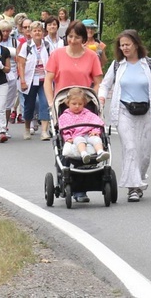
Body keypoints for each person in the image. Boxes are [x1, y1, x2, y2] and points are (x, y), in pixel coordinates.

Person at [99, 29, 151, 202]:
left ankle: (139, 179)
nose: (124, 48)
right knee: (130, 148)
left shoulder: (149, 64)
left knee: (144, 153)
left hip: (146, 112)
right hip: (124, 111)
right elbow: (105, 85)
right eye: (122, 45)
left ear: (136, 44)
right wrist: (101, 97)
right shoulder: (117, 65)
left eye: (127, 44)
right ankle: (132, 188)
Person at [44, 21, 103, 203]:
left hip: (85, 103)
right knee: (64, 141)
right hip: (63, 103)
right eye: (70, 36)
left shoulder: (92, 56)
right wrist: (51, 103)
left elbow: (98, 81)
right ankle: (66, 179)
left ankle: (86, 181)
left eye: (77, 37)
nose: (73, 40)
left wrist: (97, 98)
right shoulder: (57, 55)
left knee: (89, 137)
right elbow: (48, 80)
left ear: (84, 38)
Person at [17, 22, 51, 140]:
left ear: (43, 33)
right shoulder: (26, 46)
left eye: (39, 31)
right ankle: (27, 128)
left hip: (44, 80)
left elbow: (52, 62)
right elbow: (21, 64)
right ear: (30, 33)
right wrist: (22, 81)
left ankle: (44, 131)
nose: (37, 33)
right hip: (30, 80)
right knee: (29, 105)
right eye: (35, 31)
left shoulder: (47, 45)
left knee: (45, 103)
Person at [58, 87, 110, 164]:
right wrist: (68, 138)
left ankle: (100, 152)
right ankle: (84, 154)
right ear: (68, 103)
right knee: (79, 140)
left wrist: (95, 131)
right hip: (76, 136)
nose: (77, 106)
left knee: (96, 139)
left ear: (84, 104)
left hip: (89, 134)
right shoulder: (65, 116)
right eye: (74, 104)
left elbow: (97, 123)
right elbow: (64, 130)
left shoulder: (88, 114)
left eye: (80, 104)